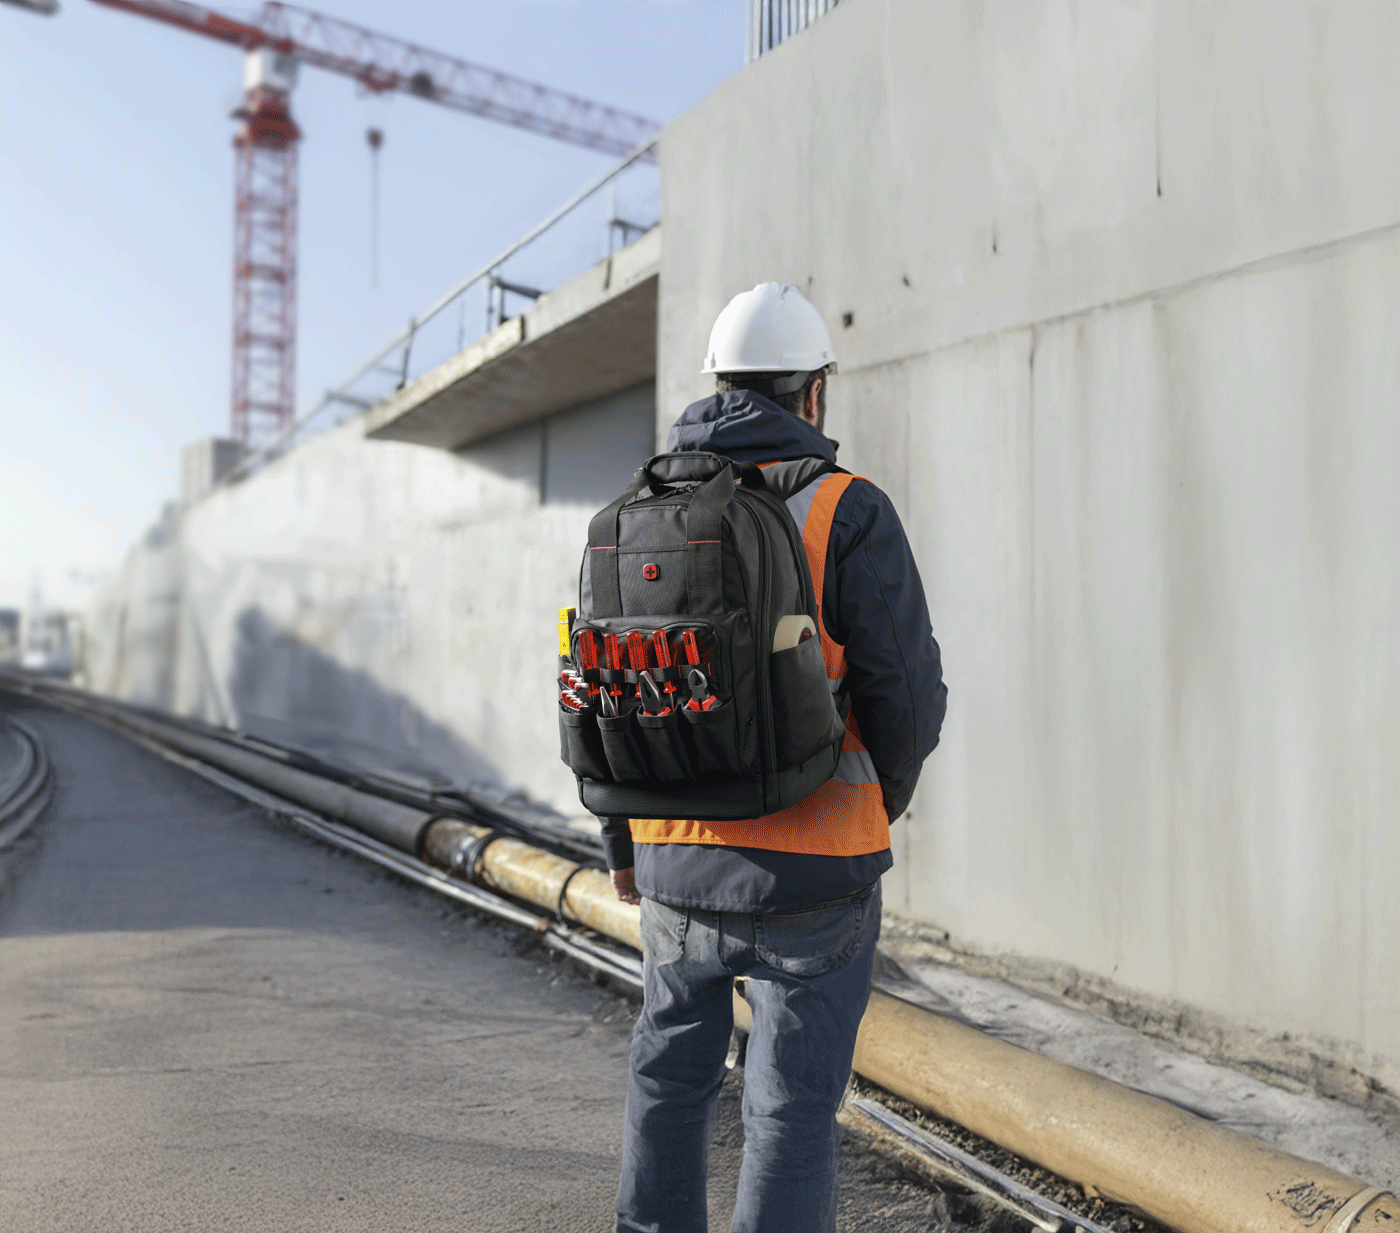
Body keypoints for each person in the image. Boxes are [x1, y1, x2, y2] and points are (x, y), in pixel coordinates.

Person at [605, 283, 947, 1233]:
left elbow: (614, 688)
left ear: (717, 385)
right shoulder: (847, 509)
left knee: (668, 1086)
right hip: (817, 872)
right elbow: (907, 696)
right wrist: (878, 802)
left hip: (673, 861)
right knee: (789, 1115)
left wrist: (623, 844)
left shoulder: (642, 508)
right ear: (813, 394)